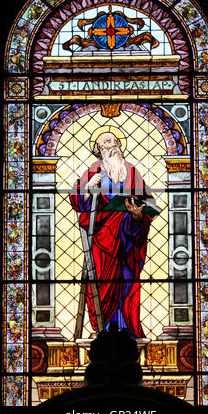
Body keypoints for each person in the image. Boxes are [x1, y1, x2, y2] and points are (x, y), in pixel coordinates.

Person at [69, 131, 160, 338]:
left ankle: (126, 327)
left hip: (128, 240)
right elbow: (77, 201)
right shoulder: (93, 171)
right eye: (106, 144)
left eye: (114, 142)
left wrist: (138, 216)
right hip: (102, 237)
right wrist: (88, 186)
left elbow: (148, 202)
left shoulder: (131, 171)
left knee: (127, 282)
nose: (112, 146)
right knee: (102, 282)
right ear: (98, 150)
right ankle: (103, 328)